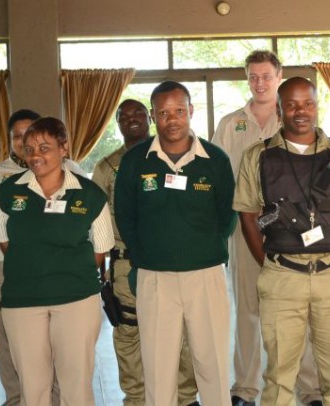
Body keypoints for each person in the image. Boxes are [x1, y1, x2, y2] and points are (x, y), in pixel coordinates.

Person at [234, 77, 330, 406]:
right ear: (279, 111)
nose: (300, 111)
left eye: (307, 104)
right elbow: (248, 216)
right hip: (282, 278)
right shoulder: (258, 157)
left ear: (316, 107)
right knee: (279, 377)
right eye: (291, 105)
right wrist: (270, 262)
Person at [115, 81, 236, 406]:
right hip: (154, 277)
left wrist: (204, 248)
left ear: (191, 111)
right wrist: (147, 255)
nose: (172, 120)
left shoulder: (215, 159)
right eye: (164, 113)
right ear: (153, 116)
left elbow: (228, 215)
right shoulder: (135, 161)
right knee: (158, 369)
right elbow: (125, 216)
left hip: (205, 275)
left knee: (213, 365)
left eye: (179, 111)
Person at [213, 49, 322, 406]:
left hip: (292, 230)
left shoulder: (295, 118)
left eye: (266, 76)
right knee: (247, 309)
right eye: (253, 77)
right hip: (244, 227)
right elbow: (218, 178)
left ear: (279, 77)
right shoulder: (230, 124)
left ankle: (310, 389)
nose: (259, 83)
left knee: (299, 309)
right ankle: (245, 389)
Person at [0, 117, 114, 406]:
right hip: (22, 301)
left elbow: (100, 250)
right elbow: (4, 241)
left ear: (63, 148)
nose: (36, 155)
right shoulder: (7, 192)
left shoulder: (90, 194)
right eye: (29, 149)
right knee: (32, 387)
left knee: (76, 385)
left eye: (44, 147)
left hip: (76, 300)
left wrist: (64, 271)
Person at [92, 99, 200, 406]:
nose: (132, 119)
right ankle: (137, 398)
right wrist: (101, 269)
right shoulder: (107, 167)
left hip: (173, 260)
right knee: (129, 332)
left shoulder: (172, 156)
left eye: (138, 113)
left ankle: (185, 397)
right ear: (117, 123)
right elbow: (96, 221)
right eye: (124, 116)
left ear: (150, 118)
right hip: (127, 263)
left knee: (182, 331)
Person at [0, 109, 83, 405]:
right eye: (17, 137)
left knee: (56, 341)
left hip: (56, 267)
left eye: (31, 135)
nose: (25, 143)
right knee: (8, 339)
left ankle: (55, 399)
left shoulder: (71, 171)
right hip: (1, 265)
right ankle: (16, 398)